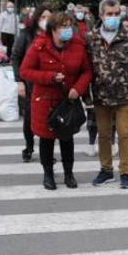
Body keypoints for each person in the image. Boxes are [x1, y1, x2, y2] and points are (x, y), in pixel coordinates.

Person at [20, 12, 92, 190]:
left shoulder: (78, 45)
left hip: (68, 100)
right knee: (47, 139)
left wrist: (78, 88)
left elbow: (87, 71)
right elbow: (25, 71)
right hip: (45, 100)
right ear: (52, 29)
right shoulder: (39, 46)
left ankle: (69, 173)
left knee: (67, 138)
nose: (68, 30)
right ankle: (48, 174)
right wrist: (50, 77)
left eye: (70, 26)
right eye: (63, 27)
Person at [87, 0, 128, 189]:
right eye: (109, 14)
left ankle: (125, 172)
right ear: (101, 15)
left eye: (116, 14)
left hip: (125, 96)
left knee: (124, 135)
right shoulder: (92, 38)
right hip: (101, 96)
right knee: (104, 135)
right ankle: (106, 170)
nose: (113, 17)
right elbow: (86, 66)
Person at [12, 4, 53, 163]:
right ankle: (29, 147)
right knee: (29, 118)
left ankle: (47, 152)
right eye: (43, 17)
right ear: (36, 18)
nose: (46, 21)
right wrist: (19, 81)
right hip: (29, 84)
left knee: (48, 120)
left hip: (48, 84)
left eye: (49, 17)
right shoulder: (26, 34)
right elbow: (16, 57)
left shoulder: (54, 35)